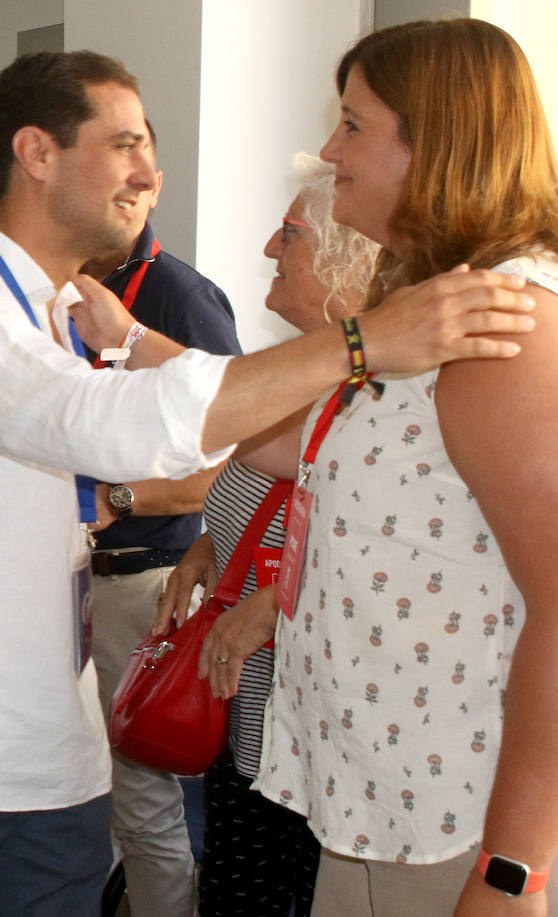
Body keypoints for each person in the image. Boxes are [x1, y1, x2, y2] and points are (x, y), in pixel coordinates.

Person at [0, 48, 534, 916]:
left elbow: (283, 436)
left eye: (351, 124)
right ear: (37, 153)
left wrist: (137, 342)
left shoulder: (56, 313)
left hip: (57, 758)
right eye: (124, 144)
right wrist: (359, 342)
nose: (150, 173)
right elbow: (113, 426)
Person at [245, 19, 558, 917]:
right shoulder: (426, 309)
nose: (329, 150)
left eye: (353, 125)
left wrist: (514, 869)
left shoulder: (505, 331)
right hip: (389, 812)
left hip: (458, 834)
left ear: (438, 143)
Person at [155, 154, 380, 916]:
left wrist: (278, 601)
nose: (267, 249)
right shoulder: (297, 374)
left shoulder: (375, 397)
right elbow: (271, 488)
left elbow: (370, 549)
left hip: (312, 750)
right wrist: (208, 546)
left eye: (290, 234)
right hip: (247, 730)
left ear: (347, 260)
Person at [81, 119, 241, 917]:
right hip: (78, 576)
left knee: (149, 804)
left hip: (145, 579)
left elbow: (223, 463)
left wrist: (110, 502)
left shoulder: (180, 296)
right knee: (109, 797)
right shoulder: (64, 291)